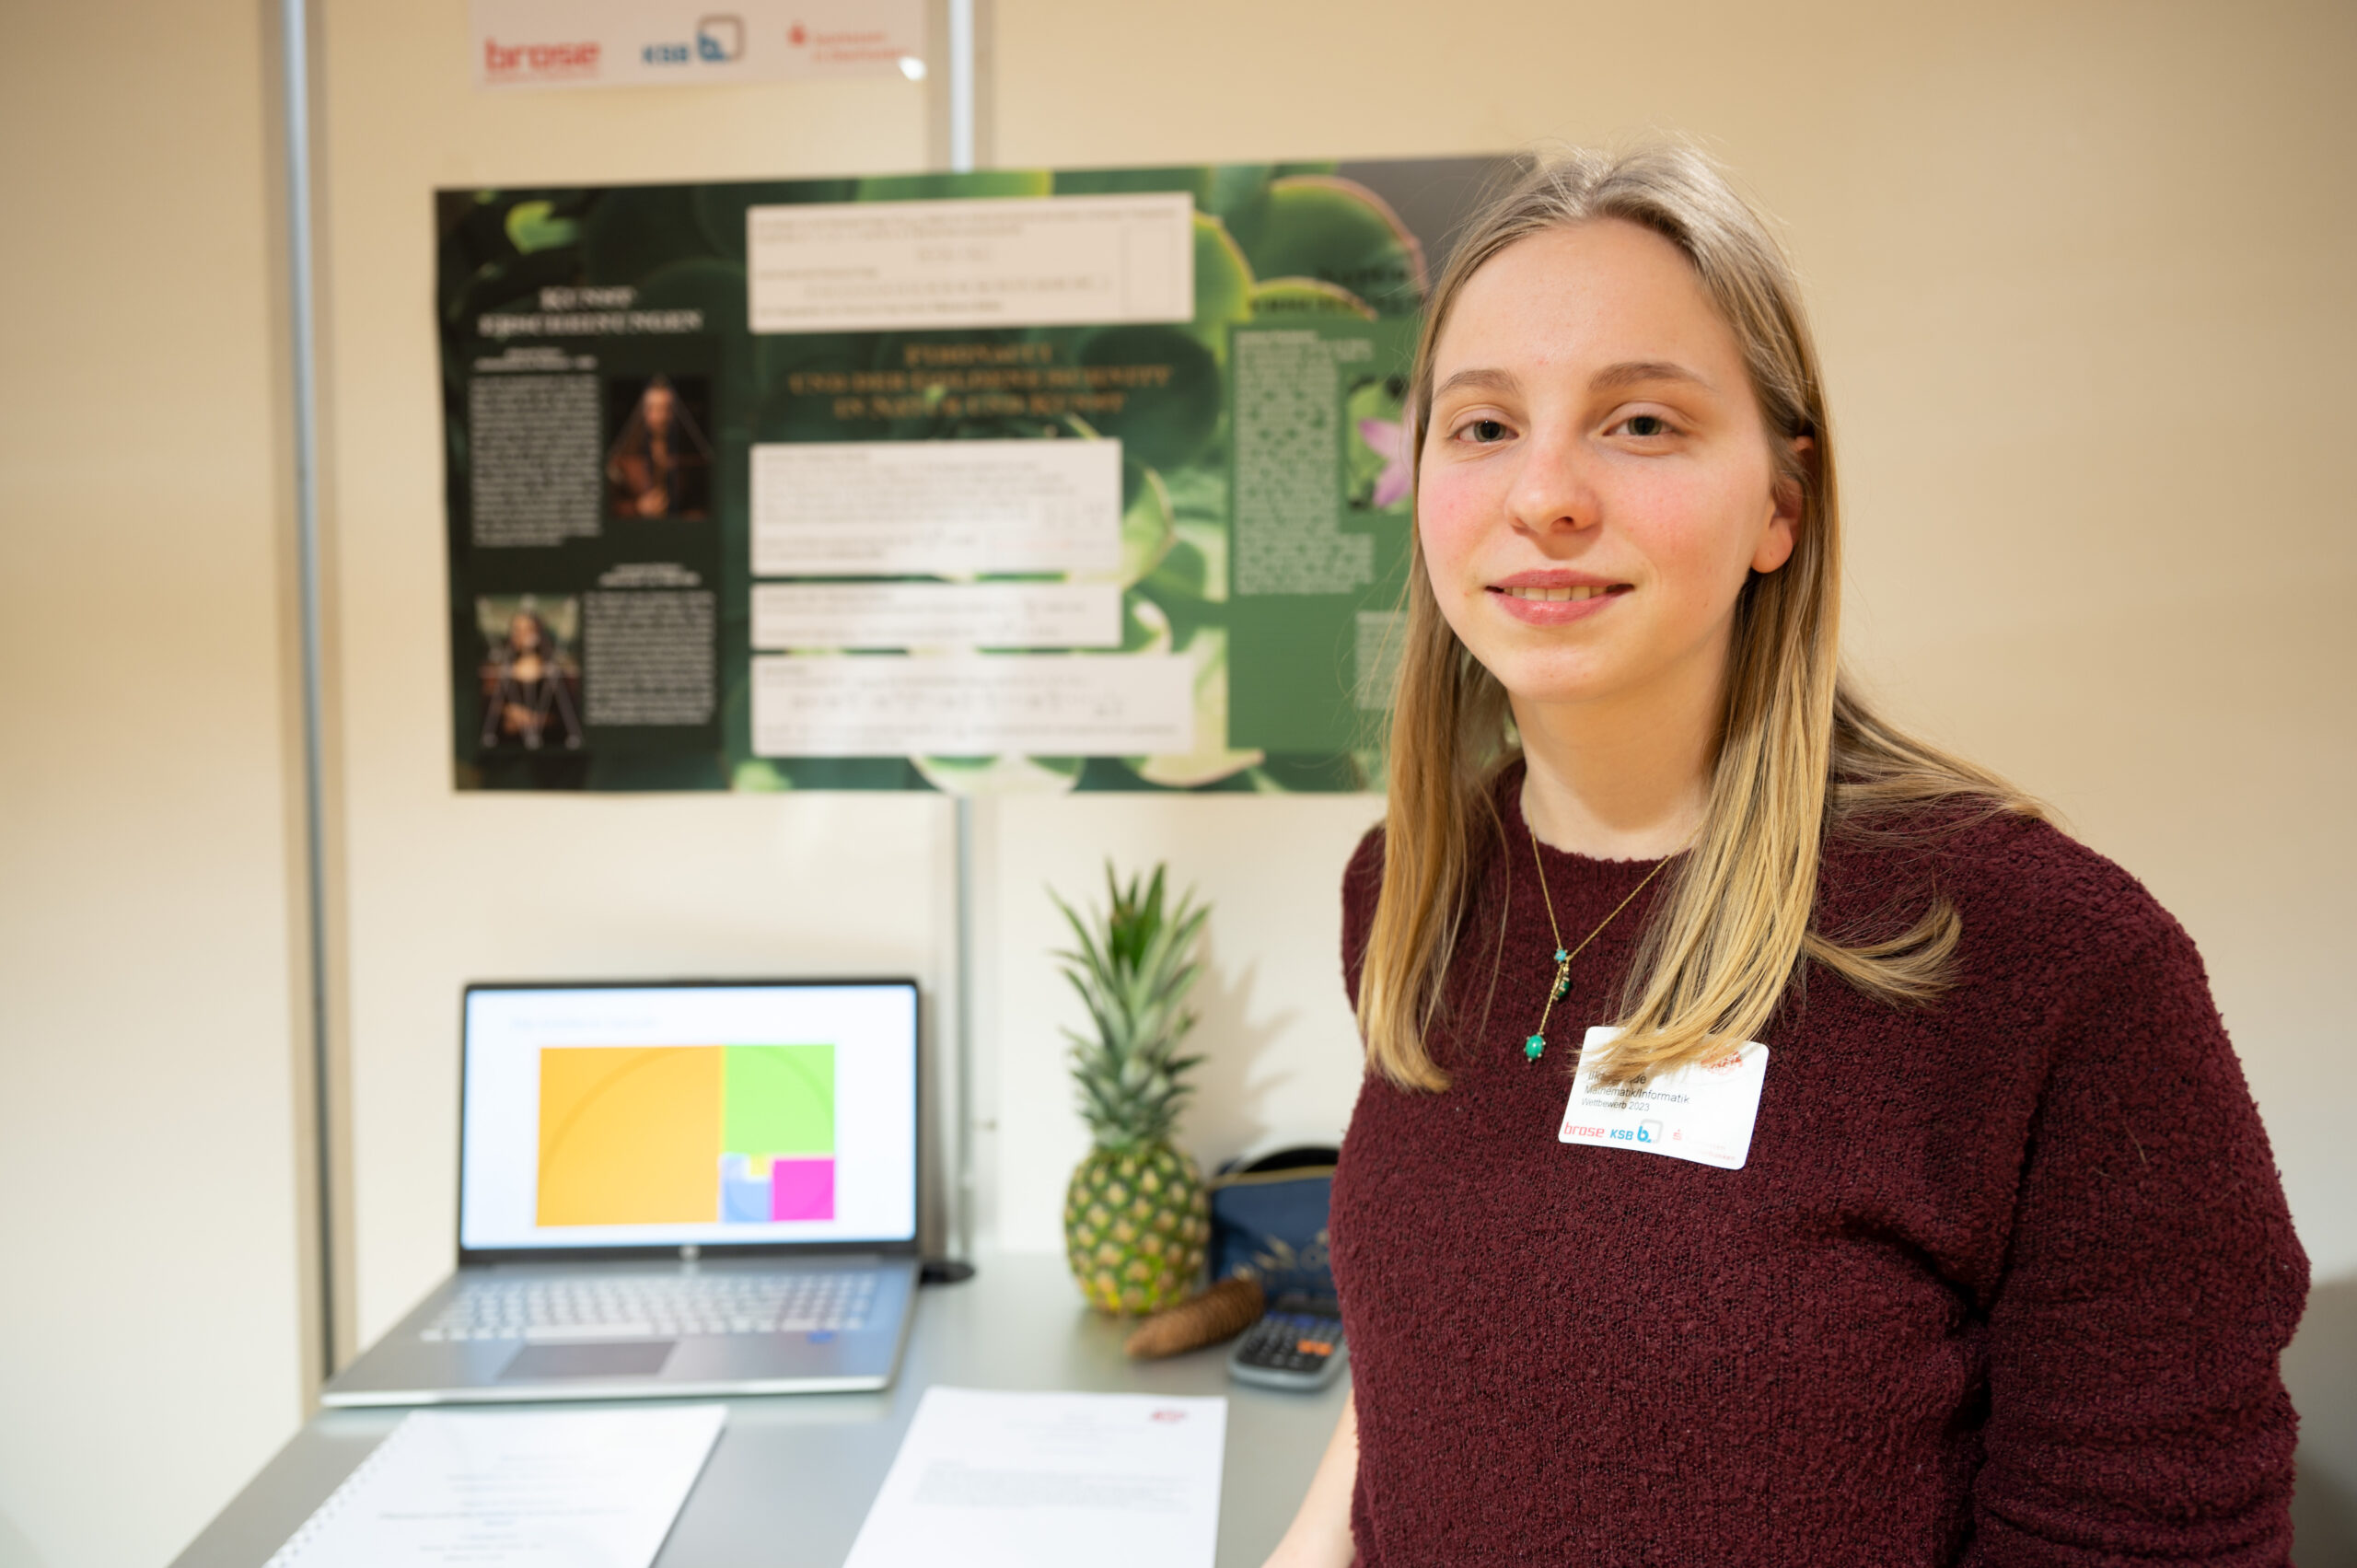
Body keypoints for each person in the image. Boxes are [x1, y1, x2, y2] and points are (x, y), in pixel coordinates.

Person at [1265, 146, 2306, 1566]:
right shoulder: (1408, 889)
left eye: (1639, 422)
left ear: (1781, 506)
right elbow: (1403, 1397)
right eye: (1484, 426)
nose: (1547, 495)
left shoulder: (2055, 967)